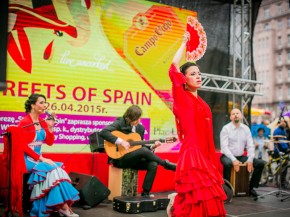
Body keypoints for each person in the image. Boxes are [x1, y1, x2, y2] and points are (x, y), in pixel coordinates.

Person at [167, 32, 226, 217]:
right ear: (184, 79)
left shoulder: (202, 102)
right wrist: (184, 42)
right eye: (193, 74)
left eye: (199, 73)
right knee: (201, 197)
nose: (198, 76)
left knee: (208, 196)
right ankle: (175, 202)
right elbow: (173, 68)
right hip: (193, 154)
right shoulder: (182, 98)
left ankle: (175, 200)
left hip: (206, 152)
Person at [19, 94, 79, 217]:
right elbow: (23, 146)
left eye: (45, 102)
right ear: (32, 105)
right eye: (41, 102)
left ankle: (62, 206)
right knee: (53, 169)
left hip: (38, 157)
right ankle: (62, 207)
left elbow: (50, 143)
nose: (44, 105)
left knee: (57, 170)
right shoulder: (24, 122)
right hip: (27, 159)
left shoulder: (42, 122)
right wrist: (41, 158)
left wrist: (50, 127)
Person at [99, 105, 176, 197]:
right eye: (136, 119)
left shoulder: (140, 128)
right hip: (119, 159)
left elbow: (140, 147)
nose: (138, 121)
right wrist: (121, 141)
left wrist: (152, 147)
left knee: (153, 165)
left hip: (133, 161)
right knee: (143, 151)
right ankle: (165, 164)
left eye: (139, 118)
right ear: (129, 117)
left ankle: (145, 193)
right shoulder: (120, 122)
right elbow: (103, 132)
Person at [220, 108, 266, 197]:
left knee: (260, 163)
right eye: (233, 114)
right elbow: (224, 147)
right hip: (227, 156)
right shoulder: (226, 128)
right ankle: (227, 189)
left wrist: (250, 160)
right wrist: (233, 160)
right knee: (228, 163)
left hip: (241, 156)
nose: (236, 115)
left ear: (241, 116)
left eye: (237, 113)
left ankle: (251, 188)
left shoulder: (246, 129)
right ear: (230, 117)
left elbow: (250, 146)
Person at [272, 117, 290, 188]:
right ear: (279, 123)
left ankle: (282, 182)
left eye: (284, 122)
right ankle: (280, 183)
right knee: (282, 168)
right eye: (282, 121)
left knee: (284, 168)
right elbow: (281, 141)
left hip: (284, 151)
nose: (283, 123)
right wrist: (287, 149)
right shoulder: (277, 131)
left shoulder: (284, 130)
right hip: (279, 151)